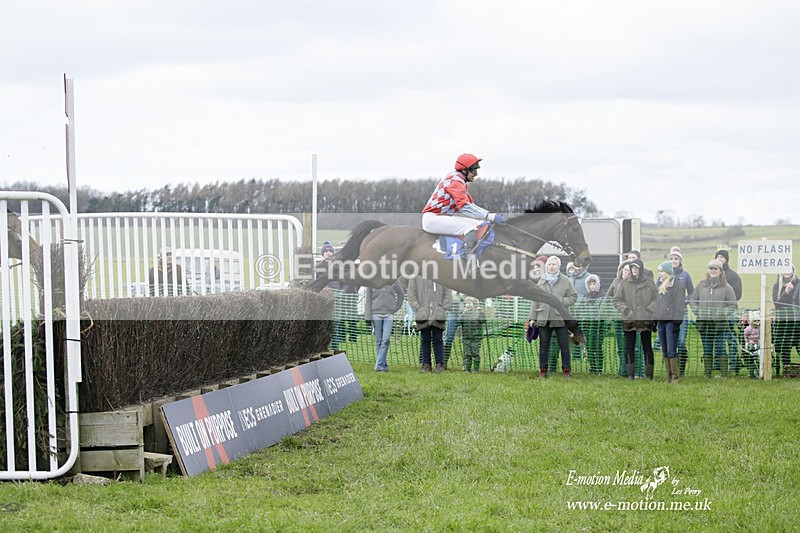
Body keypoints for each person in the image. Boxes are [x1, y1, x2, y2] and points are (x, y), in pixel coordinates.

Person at [421, 154, 506, 262]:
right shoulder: (455, 181)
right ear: (464, 170)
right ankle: (470, 261)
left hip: (440, 217)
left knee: (479, 224)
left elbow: (471, 206)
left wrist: (490, 216)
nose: (476, 174)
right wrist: (491, 216)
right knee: (470, 228)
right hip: (433, 219)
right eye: (473, 170)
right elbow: (465, 208)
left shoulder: (460, 181)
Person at [529, 256, 578, 378]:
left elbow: (573, 297)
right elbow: (535, 300)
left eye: (554, 264)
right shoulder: (541, 281)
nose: (551, 267)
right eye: (549, 265)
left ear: (559, 266)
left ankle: (566, 370)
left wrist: (561, 301)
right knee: (543, 346)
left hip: (560, 319)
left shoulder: (566, 281)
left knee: (564, 346)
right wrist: (532, 318)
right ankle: (543, 370)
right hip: (543, 318)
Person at [690, 259, 738, 378]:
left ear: (720, 271)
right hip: (704, 323)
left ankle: (724, 374)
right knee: (707, 348)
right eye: (711, 268)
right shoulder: (701, 285)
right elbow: (692, 300)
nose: (713, 271)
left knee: (720, 348)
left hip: (720, 324)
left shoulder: (727, 287)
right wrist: (697, 311)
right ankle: (708, 374)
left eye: (715, 269)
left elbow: (733, 305)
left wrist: (722, 313)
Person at [614, 259, 657, 380]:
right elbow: (617, 300)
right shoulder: (624, 283)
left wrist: (649, 310)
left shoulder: (650, 283)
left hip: (645, 319)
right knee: (629, 347)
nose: (634, 270)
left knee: (647, 346)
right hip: (629, 319)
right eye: (632, 268)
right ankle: (630, 375)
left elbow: (656, 298)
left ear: (641, 269)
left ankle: (649, 375)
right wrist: (625, 309)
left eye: (636, 268)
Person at [316, 241, 359, 350]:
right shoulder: (319, 267)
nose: (329, 253)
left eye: (331, 251)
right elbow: (318, 282)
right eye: (326, 251)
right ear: (322, 254)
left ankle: (336, 341)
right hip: (326, 296)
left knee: (338, 319)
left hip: (339, 296)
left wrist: (342, 291)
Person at [407, 276, 453, 373]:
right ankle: (426, 365)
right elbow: (411, 294)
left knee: (438, 340)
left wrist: (443, 308)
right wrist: (419, 309)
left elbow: (448, 293)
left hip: (438, 314)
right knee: (425, 340)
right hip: (423, 314)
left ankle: (440, 365)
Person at [654, 261, 686, 382]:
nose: (660, 274)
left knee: (672, 349)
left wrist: (677, 322)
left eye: (662, 271)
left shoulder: (677, 286)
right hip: (661, 321)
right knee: (664, 349)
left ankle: (675, 376)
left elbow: (679, 305)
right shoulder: (660, 285)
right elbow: (657, 304)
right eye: (659, 272)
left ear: (668, 272)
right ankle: (668, 375)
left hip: (671, 322)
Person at [365, 281, 405, 372]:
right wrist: (367, 316)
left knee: (386, 340)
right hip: (375, 314)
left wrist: (395, 307)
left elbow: (401, 295)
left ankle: (378, 365)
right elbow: (368, 299)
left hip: (389, 315)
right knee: (379, 340)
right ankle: (383, 366)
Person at [715, 249, 743, 375]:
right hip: (715, 313)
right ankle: (718, 365)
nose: (720, 259)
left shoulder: (733, 276)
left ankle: (733, 365)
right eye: (717, 256)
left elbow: (737, 294)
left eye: (722, 257)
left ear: (726, 259)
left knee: (731, 339)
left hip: (729, 313)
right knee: (716, 339)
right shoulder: (713, 274)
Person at [668, 248, 694, 376]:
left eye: (676, 259)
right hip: (668, 314)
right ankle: (673, 370)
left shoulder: (685, 275)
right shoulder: (665, 274)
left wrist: (685, 301)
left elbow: (692, 292)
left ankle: (682, 367)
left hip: (682, 313)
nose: (673, 261)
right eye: (671, 258)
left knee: (681, 342)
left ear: (680, 261)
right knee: (671, 342)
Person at [772, 265, 800, 376]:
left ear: (793, 270)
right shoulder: (776, 286)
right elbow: (777, 304)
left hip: (796, 321)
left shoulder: (798, 284)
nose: (787, 272)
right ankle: (786, 370)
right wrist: (786, 292)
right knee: (784, 346)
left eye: (789, 269)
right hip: (782, 321)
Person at [579, 274, 606, 374]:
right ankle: (592, 367)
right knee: (589, 346)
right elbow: (581, 310)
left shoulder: (603, 296)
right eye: (590, 284)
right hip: (587, 326)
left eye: (594, 284)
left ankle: (599, 367)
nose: (592, 286)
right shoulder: (585, 298)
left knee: (597, 346)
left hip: (599, 326)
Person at [459, 297, 486, 372]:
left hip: (476, 338)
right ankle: (467, 369)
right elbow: (459, 321)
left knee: (475, 354)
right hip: (466, 337)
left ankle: (476, 369)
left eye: (469, 306)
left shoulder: (478, 313)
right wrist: (464, 313)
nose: (467, 308)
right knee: (467, 354)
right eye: (466, 306)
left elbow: (483, 321)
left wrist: (481, 312)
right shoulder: (464, 314)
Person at [742, 311, 760, 379]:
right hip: (751, 341)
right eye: (755, 321)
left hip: (758, 341)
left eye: (758, 321)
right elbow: (745, 336)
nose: (757, 322)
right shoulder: (748, 329)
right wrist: (747, 342)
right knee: (751, 345)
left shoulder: (760, 328)